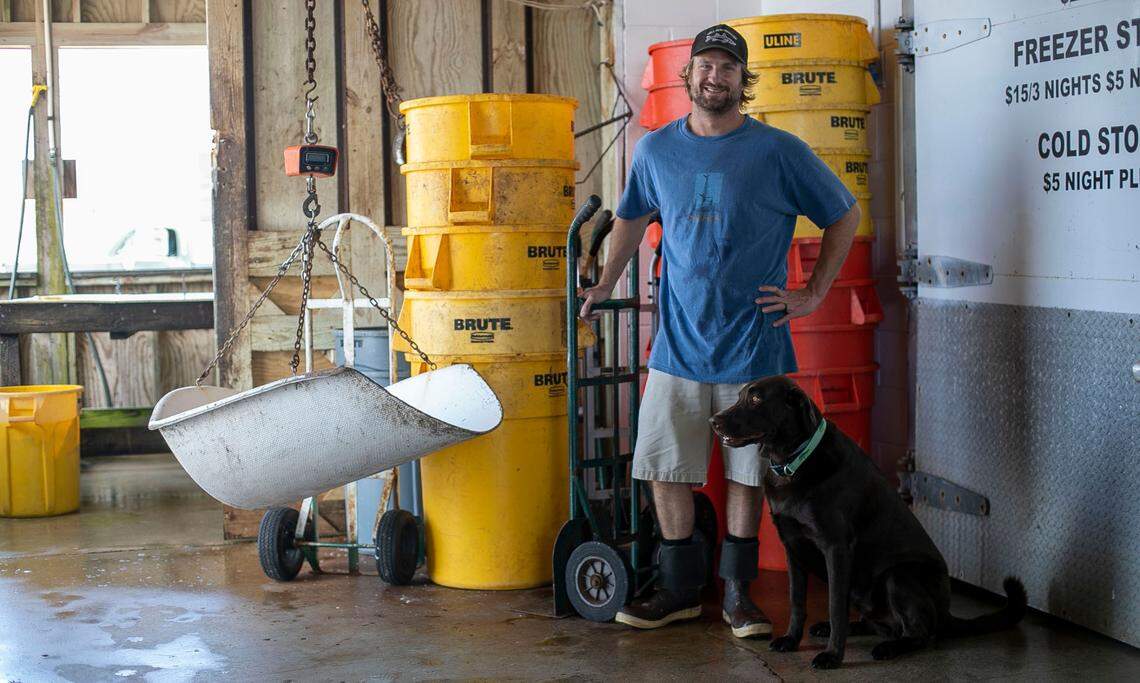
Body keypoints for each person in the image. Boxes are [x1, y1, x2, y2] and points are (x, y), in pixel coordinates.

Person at [579, 23, 861, 638]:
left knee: (746, 474)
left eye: (727, 67)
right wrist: (604, 283)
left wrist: (813, 293)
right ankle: (680, 590)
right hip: (677, 345)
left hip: (753, 347)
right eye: (705, 65)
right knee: (664, 465)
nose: (714, 76)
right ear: (689, 76)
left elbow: (844, 212)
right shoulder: (655, 151)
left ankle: (737, 595)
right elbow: (628, 221)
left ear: (742, 79)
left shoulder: (778, 150)